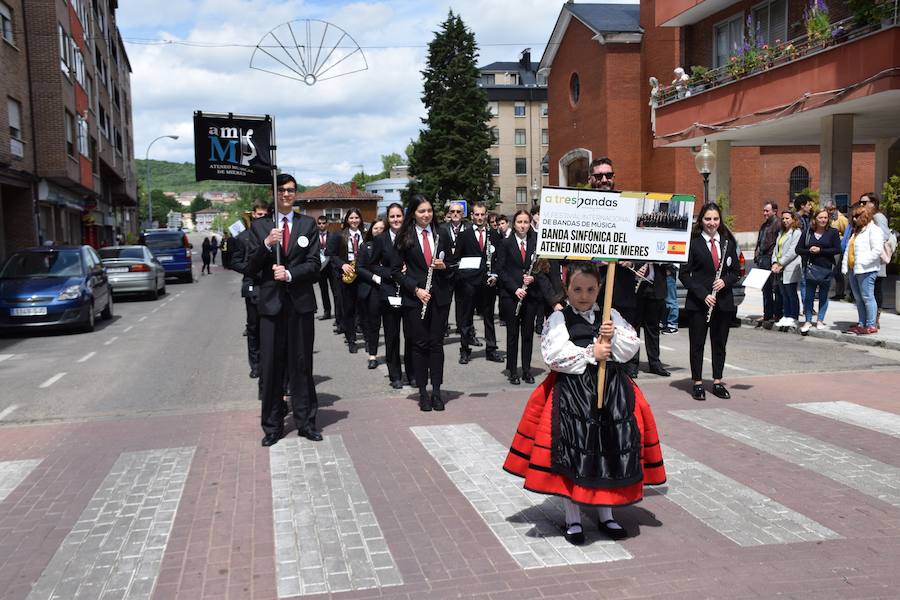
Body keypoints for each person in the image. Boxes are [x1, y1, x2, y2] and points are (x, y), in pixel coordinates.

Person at [503, 263, 666, 544]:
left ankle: (607, 515)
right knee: (575, 452)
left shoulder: (610, 316)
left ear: (599, 289)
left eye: (591, 289)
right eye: (577, 289)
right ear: (566, 289)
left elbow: (631, 346)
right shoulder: (558, 319)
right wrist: (593, 352)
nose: (584, 295)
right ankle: (573, 519)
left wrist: (612, 338)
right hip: (573, 395)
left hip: (611, 393)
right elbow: (554, 355)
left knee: (607, 451)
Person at [245, 173, 321, 446]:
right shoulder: (260, 227)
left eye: (291, 190)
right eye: (281, 190)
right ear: (274, 194)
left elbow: (314, 264)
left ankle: (306, 421)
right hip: (271, 306)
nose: (286, 194)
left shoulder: (308, 224)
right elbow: (250, 268)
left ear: (295, 193)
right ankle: (272, 426)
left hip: (300, 305)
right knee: (271, 368)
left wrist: (289, 274)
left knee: (301, 365)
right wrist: (267, 245)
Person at [392, 195, 456, 411]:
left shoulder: (442, 233)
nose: (426, 214)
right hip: (415, 298)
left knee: (436, 345)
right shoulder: (404, 236)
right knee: (419, 346)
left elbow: (453, 264)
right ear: (413, 214)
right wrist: (415, 289)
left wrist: (444, 266)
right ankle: (422, 392)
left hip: (439, 298)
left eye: (429, 210)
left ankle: (436, 391)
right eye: (421, 211)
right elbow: (395, 270)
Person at [679, 202, 741, 401]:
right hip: (699, 303)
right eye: (708, 219)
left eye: (715, 219)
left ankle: (717, 381)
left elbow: (735, 272)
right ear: (701, 220)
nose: (712, 223)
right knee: (697, 344)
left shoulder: (727, 242)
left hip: (722, 302)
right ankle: (697, 382)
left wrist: (725, 281)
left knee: (719, 344)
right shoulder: (693, 242)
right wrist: (703, 293)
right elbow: (684, 275)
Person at [371, 203, 415, 389]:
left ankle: (412, 373)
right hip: (389, 292)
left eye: (399, 216)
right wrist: (392, 273)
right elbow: (373, 265)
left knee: (411, 335)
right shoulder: (381, 240)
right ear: (387, 219)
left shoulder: (411, 237)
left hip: (410, 292)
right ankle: (395, 374)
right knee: (392, 335)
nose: (396, 220)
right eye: (392, 217)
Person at [454, 202, 503, 364]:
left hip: (488, 283)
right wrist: (465, 276)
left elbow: (499, 259)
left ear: (486, 215)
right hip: (469, 285)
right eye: (477, 214)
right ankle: (465, 350)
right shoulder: (464, 235)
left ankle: (491, 349)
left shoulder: (494, 234)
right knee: (466, 318)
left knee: (488, 317)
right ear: (472, 216)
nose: (480, 217)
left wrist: (495, 275)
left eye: (483, 214)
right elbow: (457, 261)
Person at [496, 210, 540, 385]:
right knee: (513, 334)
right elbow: (501, 270)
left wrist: (533, 277)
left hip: (530, 295)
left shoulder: (535, 242)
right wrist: (514, 289)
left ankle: (527, 370)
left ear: (530, 224)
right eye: (520, 222)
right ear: (514, 223)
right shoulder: (506, 243)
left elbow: (542, 267)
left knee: (528, 334)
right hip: (511, 296)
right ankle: (513, 370)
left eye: (526, 222)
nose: (523, 225)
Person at [230, 200, 270, 379]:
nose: (262, 217)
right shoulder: (242, 237)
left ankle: (271, 364)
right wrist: (250, 269)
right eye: (259, 214)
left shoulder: (274, 234)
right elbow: (235, 261)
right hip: (253, 286)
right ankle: (255, 365)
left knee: (270, 328)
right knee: (254, 328)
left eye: (264, 214)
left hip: (271, 286)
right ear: (253, 214)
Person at [841, 203, 887, 335]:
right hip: (853, 269)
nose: (854, 219)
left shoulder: (874, 230)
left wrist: (862, 262)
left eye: (857, 216)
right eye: (853, 216)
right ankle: (862, 323)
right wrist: (846, 265)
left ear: (865, 216)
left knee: (867, 297)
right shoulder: (857, 231)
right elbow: (848, 250)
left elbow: (877, 250)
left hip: (866, 270)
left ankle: (871, 324)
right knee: (858, 298)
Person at [796, 208, 841, 334]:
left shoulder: (833, 232)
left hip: (826, 268)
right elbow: (798, 249)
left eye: (825, 218)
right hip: (810, 268)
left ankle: (820, 320)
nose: (823, 220)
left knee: (823, 295)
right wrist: (809, 251)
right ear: (815, 219)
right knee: (809, 297)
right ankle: (808, 320)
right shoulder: (807, 232)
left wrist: (820, 251)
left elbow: (837, 249)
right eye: (820, 217)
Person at [328, 208, 365, 353]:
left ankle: (367, 337)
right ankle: (351, 340)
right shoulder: (339, 235)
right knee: (348, 308)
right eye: (351, 218)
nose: (354, 221)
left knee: (363, 308)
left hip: (362, 273)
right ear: (347, 220)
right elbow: (331, 254)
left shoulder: (366, 234)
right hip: (346, 275)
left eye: (357, 218)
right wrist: (342, 264)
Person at [859, 193, 897, 329]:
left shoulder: (878, 217)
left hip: (877, 259)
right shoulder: (865, 217)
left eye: (865, 202)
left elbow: (885, 235)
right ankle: (869, 318)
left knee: (875, 289)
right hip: (868, 259)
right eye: (860, 203)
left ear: (873, 203)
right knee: (868, 290)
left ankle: (875, 318)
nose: (862, 205)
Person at [355, 219, 386, 369]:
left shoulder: (392, 246)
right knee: (373, 324)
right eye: (376, 228)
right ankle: (372, 355)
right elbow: (359, 268)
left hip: (389, 288)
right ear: (371, 230)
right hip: (371, 289)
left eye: (382, 228)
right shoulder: (365, 247)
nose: (378, 230)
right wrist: (374, 277)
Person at [632, 262, 671, 376]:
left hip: (655, 286)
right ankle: (633, 364)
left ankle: (655, 364)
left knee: (653, 329)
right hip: (636, 285)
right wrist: (637, 266)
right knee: (634, 328)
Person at [771, 210, 802, 329]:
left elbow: (792, 251)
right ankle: (787, 314)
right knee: (783, 293)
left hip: (789, 266)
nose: (784, 220)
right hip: (778, 267)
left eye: (787, 218)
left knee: (791, 293)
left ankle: (793, 317)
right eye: (783, 218)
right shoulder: (781, 232)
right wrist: (774, 262)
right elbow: (776, 249)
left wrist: (781, 263)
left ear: (793, 219)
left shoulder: (796, 233)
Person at [440, 201, 468, 336]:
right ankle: (443, 327)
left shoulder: (469, 229)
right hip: (447, 272)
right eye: (453, 212)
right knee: (445, 301)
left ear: (463, 214)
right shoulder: (442, 229)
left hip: (463, 273)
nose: (455, 214)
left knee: (462, 302)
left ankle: (461, 327)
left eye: (458, 212)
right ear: (449, 214)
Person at [753, 202, 780, 325]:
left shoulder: (778, 224)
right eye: (764, 211)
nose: (764, 213)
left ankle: (777, 314)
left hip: (772, 259)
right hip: (762, 259)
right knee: (765, 289)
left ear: (775, 211)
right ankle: (767, 314)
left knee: (776, 287)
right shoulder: (764, 226)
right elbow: (759, 242)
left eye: (767, 211)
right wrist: (756, 254)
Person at [825, 200, 849, 301]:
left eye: (830, 209)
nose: (829, 211)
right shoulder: (828, 218)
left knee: (836, 271)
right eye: (827, 209)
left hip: (837, 248)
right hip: (827, 247)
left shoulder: (841, 219)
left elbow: (847, 233)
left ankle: (840, 292)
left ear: (835, 208)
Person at [314, 216, 337, 322]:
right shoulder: (314, 237)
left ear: (327, 224)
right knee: (323, 291)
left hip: (332, 267)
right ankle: (327, 312)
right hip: (321, 267)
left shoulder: (333, 235)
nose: (322, 225)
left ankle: (338, 314)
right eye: (319, 223)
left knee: (335, 291)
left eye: (324, 223)